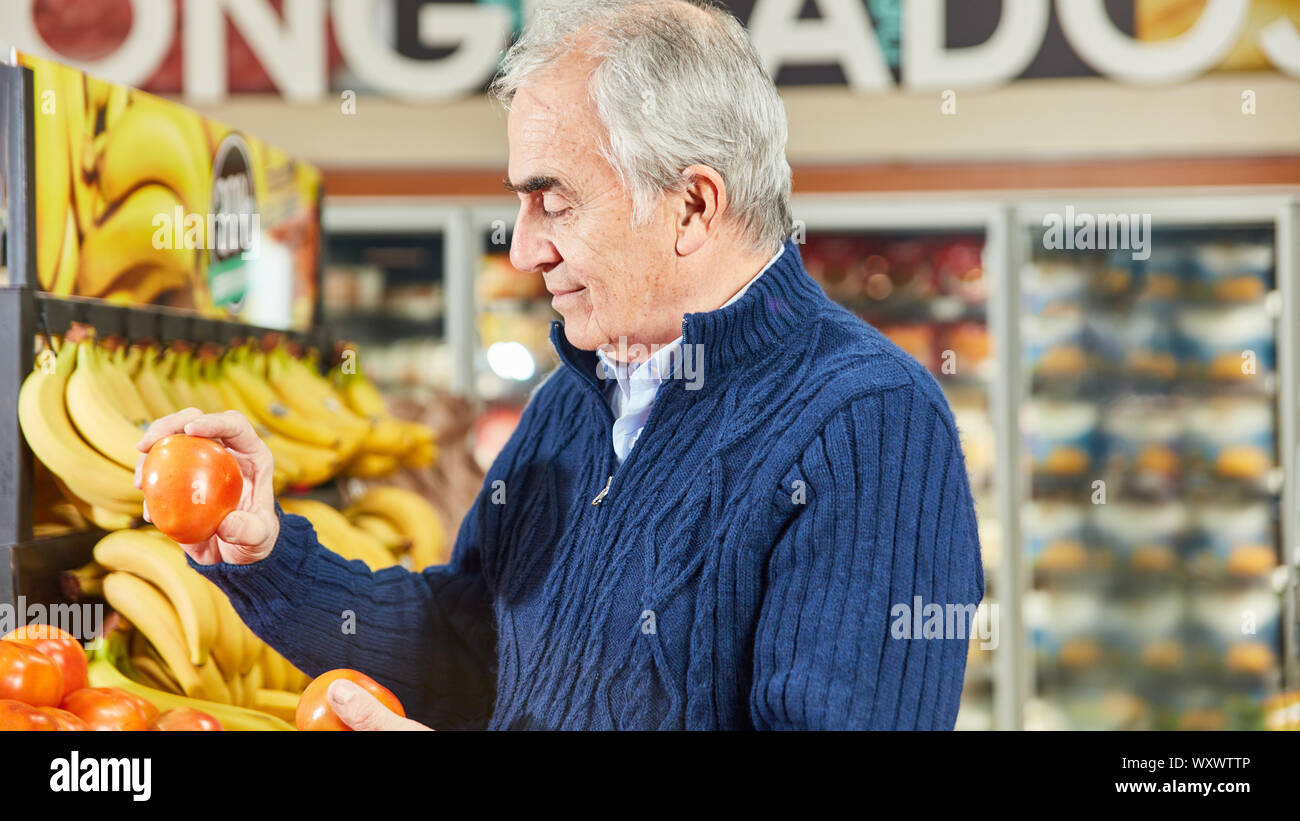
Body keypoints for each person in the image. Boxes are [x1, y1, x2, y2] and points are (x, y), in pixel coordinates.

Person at [136, 0, 983, 730]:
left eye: (553, 199)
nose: (526, 247)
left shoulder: (870, 425)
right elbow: (470, 647)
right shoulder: (573, 401)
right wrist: (268, 552)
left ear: (691, 206)